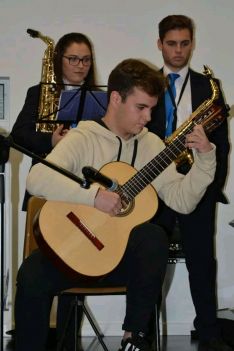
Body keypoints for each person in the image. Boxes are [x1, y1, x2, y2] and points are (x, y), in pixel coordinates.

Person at [14, 58, 216, 351]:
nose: (147, 118)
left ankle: (133, 339)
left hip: (119, 261)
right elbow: (37, 178)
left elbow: (182, 201)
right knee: (31, 275)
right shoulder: (83, 136)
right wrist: (94, 197)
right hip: (72, 253)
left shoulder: (151, 146)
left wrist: (206, 158)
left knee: (153, 237)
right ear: (116, 99)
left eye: (152, 109)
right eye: (141, 107)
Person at [147, 15, 231, 351]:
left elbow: (222, 144)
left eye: (185, 43)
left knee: (202, 261)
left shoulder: (209, 88)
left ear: (192, 43)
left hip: (197, 188)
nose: (179, 51)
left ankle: (209, 333)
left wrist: (211, 191)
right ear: (159, 44)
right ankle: (144, 333)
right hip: (154, 188)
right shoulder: (147, 84)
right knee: (149, 261)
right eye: (172, 43)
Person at [11, 32, 98, 350]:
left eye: (86, 59)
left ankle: (67, 337)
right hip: (46, 193)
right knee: (37, 268)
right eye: (73, 58)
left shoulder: (99, 98)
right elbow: (18, 135)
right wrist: (51, 142)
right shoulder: (39, 93)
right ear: (59, 60)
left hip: (81, 194)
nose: (81, 65)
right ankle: (29, 336)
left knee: (76, 262)